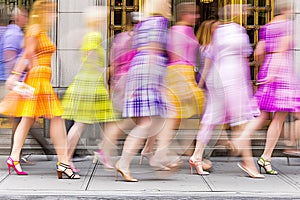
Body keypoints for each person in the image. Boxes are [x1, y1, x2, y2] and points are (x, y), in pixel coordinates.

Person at [0, 0, 79, 179]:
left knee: (28, 119)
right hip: (38, 79)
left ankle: (14, 157)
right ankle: (63, 163)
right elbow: (26, 56)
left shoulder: (40, 30)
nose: (56, 15)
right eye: (52, 11)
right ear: (43, 12)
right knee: (55, 117)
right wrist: (14, 75)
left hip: (41, 79)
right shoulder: (35, 29)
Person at [192, 4, 264, 178]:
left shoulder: (218, 32)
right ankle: (248, 163)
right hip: (233, 78)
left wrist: (203, 81)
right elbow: (246, 55)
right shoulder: (237, 31)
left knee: (210, 120)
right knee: (241, 121)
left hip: (219, 78)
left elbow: (209, 55)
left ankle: (196, 156)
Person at [237, 0, 300, 175]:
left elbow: (259, 52)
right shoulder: (287, 25)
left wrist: (264, 70)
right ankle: (265, 156)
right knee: (278, 118)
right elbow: (281, 51)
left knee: (263, 113)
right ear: (287, 10)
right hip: (282, 71)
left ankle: (246, 138)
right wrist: (274, 72)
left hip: (267, 68)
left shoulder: (267, 27)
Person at [114, 0, 171, 182]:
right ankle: (125, 162)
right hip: (149, 70)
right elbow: (155, 49)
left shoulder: (143, 23)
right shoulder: (160, 22)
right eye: (167, 2)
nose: (169, 5)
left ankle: (149, 152)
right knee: (147, 122)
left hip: (139, 67)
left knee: (154, 119)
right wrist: (159, 84)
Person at [61, 6, 118, 172]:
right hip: (91, 83)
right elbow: (91, 59)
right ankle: (66, 159)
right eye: (102, 19)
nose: (104, 22)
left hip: (89, 81)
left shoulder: (88, 35)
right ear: (97, 20)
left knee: (84, 123)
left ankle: (68, 159)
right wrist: (105, 71)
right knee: (82, 124)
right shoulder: (94, 36)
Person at [0, 7, 55, 162]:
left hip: (17, 80)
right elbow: (10, 56)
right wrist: (17, 76)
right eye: (24, 16)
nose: (26, 18)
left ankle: (16, 156)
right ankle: (21, 155)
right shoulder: (14, 33)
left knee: (24, 118)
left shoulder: (15, 32)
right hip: (14, 81)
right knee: (24, 118)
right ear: (17, 17)